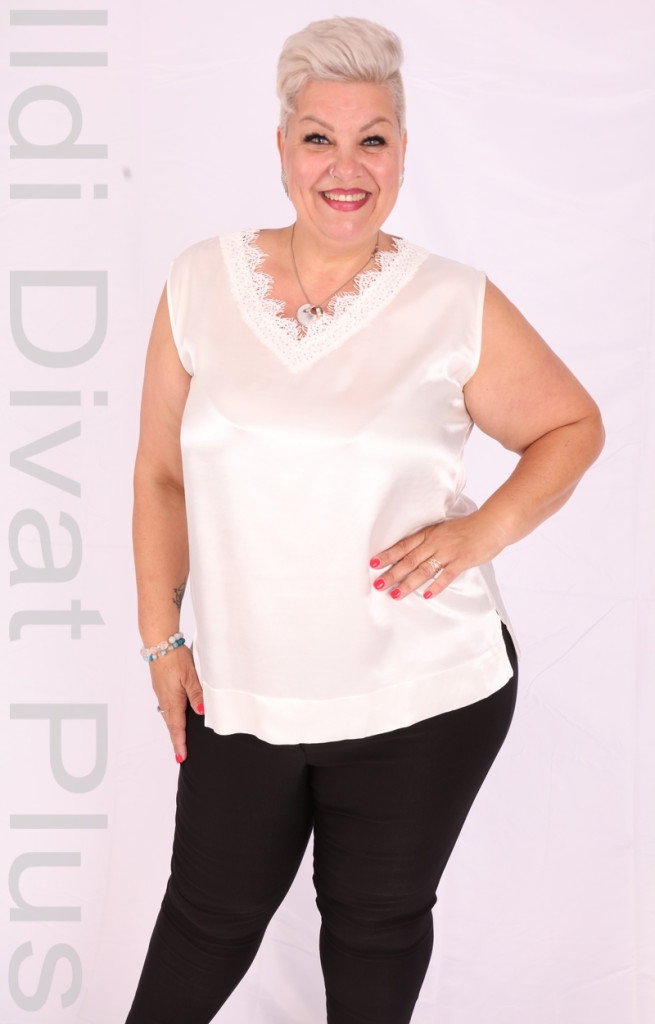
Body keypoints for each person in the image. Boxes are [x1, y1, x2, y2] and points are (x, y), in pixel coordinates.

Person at [125, 16, 604, 1024]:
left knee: (373, 927)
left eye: (371, 139)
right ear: (281, 147)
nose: (345, 167)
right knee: (206, 921)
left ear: (402, 151)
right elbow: (162, 475)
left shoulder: (452, 302)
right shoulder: (199, 282)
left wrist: (478, 534)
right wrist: (162, 638)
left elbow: (570, 425)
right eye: (318, 137)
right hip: (245, 690)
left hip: (420, 692)